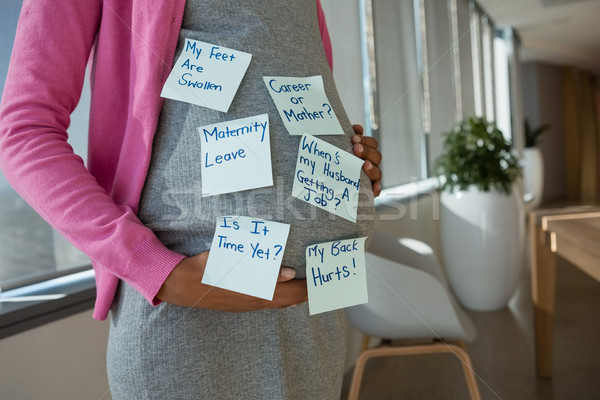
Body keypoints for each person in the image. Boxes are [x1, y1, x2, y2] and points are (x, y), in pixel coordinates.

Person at [0, 1, 382, 399]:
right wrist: (156, 269)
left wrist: (349, 164)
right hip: (185, 320)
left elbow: (296, 109)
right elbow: (25, 131)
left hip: (309, 314)